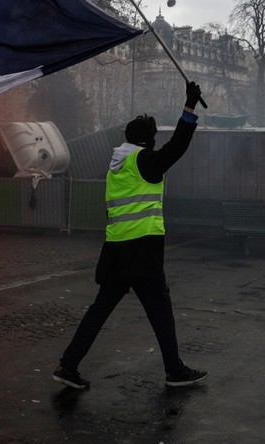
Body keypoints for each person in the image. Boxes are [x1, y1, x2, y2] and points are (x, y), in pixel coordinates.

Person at [53, 81, 208, 390]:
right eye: (152, 138)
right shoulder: (144, 162)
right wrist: (189, 108)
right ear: (145, 142)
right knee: (161, 312)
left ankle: (68, 365)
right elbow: (177, 146)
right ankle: (174, 370)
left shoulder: (116, 167)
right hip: (143, 252)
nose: (154, 143)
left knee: (100, 309)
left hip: (116, 251)